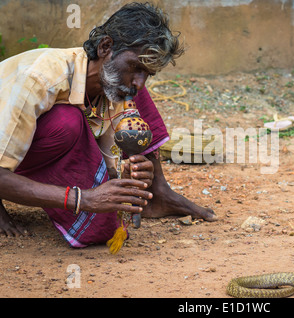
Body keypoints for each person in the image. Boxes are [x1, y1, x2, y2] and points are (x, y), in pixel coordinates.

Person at [0, 2, 217, 247]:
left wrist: (121, 175)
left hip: (38, 144)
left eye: (147, 74)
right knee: (66, 122)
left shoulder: (108, 85)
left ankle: (159, 191)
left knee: (132, 96)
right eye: (135, 67)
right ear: (105, 46)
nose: (140, 82)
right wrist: (84, 198)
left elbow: (108, 158)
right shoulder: (39, 80)